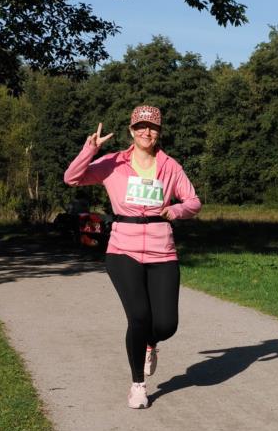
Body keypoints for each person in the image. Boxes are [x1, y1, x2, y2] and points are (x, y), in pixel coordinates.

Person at [64, 105, 201, 409]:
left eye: (151, 127)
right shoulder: (113, 163)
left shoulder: (170, 167)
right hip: (122, 249)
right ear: (131, 130)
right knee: (138, 316)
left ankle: (151, 343)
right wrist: (90, 149)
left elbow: (193, 201)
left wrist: (176, 210)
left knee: (166, 325)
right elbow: (72, 178)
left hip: (161, 249)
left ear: (159, 132)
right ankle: (138, 384)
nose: (146, 132)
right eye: (140, 126)